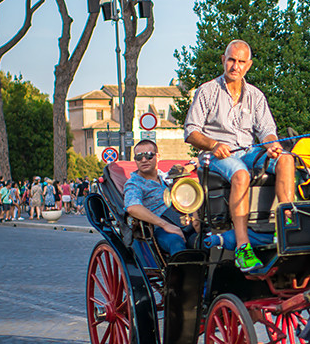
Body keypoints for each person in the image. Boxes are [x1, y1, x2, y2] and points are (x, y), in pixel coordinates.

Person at [184, 39, 297, 272]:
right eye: (232, 60)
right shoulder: (207, 91)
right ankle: (243, 247)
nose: (235, 66)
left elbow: (266, 131)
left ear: (249, 65)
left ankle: (288, 222)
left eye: (241, 62)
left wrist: (270, 145)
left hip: (248, 151)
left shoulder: (256, 96)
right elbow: (190, 132)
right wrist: (213, 144)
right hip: (215, 157)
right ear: (223, 60)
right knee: (240, 173)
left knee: (286, 158)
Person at [123, 139, 195, 257]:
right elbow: (132, 207)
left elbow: (183, 172)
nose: (144, 160)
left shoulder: (166, 177)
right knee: (175, 241)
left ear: (158, 156)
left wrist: (194, 164)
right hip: (160, 229)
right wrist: (165, 225)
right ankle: (180, 274)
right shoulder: (134, 184)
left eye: (149, 155)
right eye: (139, 157)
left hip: (184, 221)